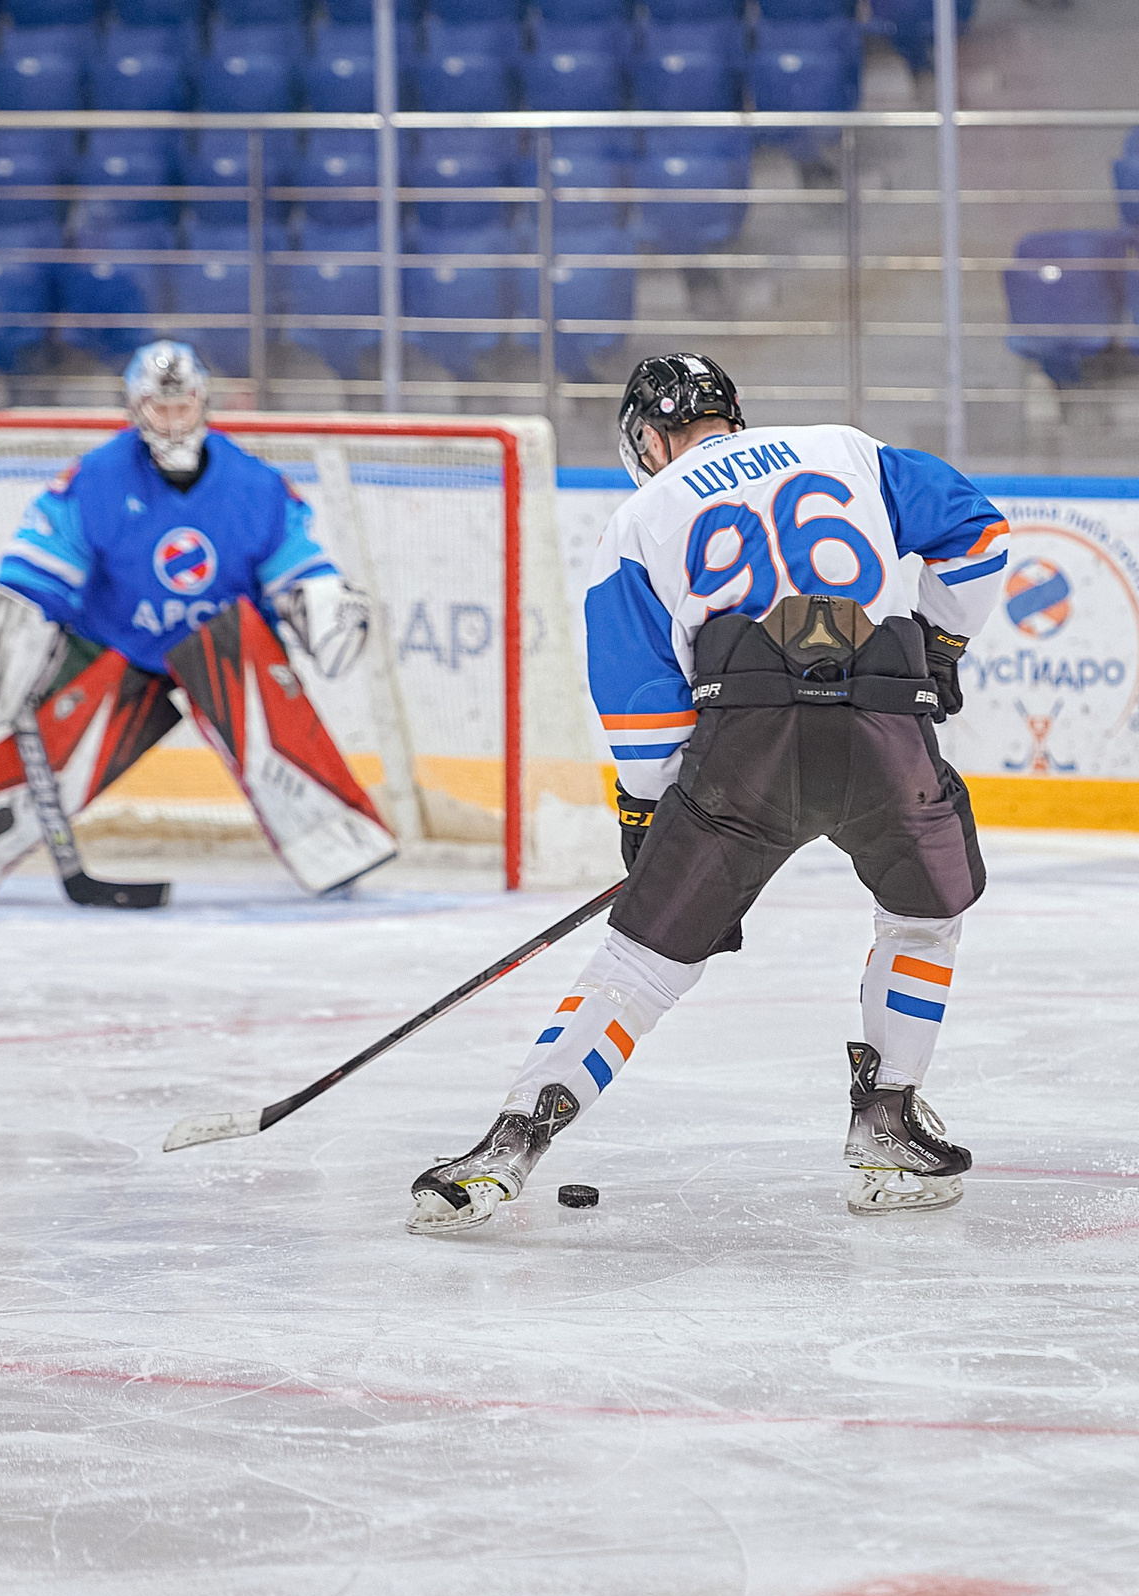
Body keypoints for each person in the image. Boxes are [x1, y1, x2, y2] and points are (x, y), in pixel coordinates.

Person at [407, 352, 1012, 1234]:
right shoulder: (846, 450)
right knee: (922, 919)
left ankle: (509, 1145)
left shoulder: (640, 517)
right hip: (884, 723)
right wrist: (943, 645)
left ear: (649, 440)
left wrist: (652, 816)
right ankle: (887, 1124)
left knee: (639, 966)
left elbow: (642, 711)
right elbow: (981, 536)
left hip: (747, 740)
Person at [0, 341, 393, 901]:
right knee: (60, 746)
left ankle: (338, 841)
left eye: (182, 406)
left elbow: (297, 568)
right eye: (158, 408)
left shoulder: (255, 486)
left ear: (203, 403)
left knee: (271, 711)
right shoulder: (96, 479)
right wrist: (13, 635)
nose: (172, 421)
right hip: (119, 647)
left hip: (224, 649)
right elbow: (37, 572)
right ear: (134, 409)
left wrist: (322, 605)